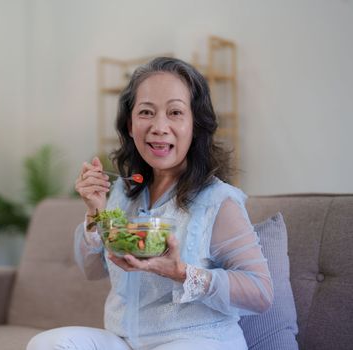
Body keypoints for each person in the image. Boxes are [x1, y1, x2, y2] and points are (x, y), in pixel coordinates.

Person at [27, 57, 273, 350]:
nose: (159, 126)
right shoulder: (123, 191)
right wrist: (95, 210)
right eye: (146, 112)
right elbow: (93, 271)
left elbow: (261, 293)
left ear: (195, 125)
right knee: (47, 344)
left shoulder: (218, 201)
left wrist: (181, 272)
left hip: (197, 339)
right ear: (130, 125)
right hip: (125, 341)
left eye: (175, 112)